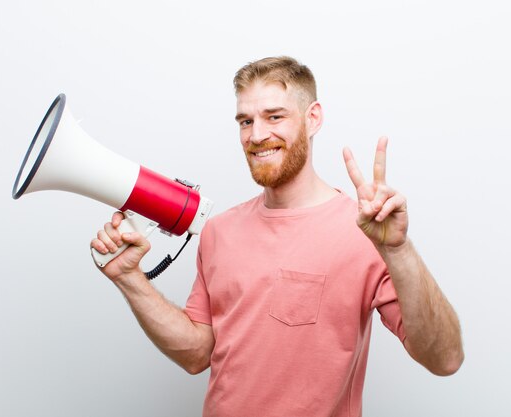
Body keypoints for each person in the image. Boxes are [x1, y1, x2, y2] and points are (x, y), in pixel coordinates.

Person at [90, 56, 464, 417]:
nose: (256, 135)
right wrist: (130, 278)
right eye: (245, 121)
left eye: (274, 116)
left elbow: (445, 359)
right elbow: (196, 355)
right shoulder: (219, 231)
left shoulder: (366, 231)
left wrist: (398, 250)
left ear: (312, 117)